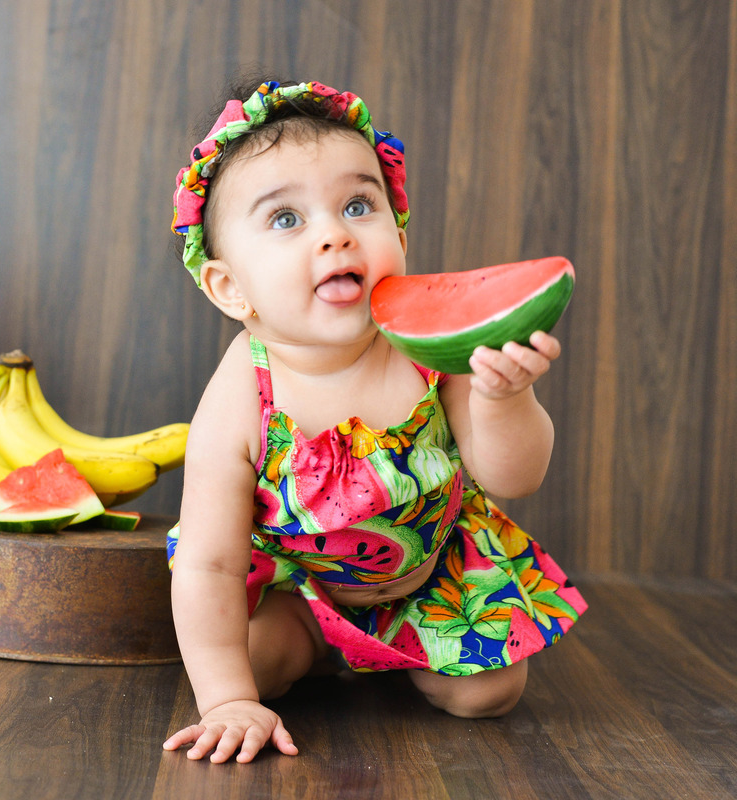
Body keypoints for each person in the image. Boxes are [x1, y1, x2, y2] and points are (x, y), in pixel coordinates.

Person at [161, 79, 587, 764]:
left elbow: (517, 475)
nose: (335, 234)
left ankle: (394, 651)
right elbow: (211, 562)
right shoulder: (244, 390)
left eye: (358, 205)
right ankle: (314, 645)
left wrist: (504, 401)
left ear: (399, 228)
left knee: (489, 694)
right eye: (285, 219)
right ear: (229, 287)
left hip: (432, 580)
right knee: (246, 666)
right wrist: (226, 699)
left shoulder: (427, 347)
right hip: (303, 589)